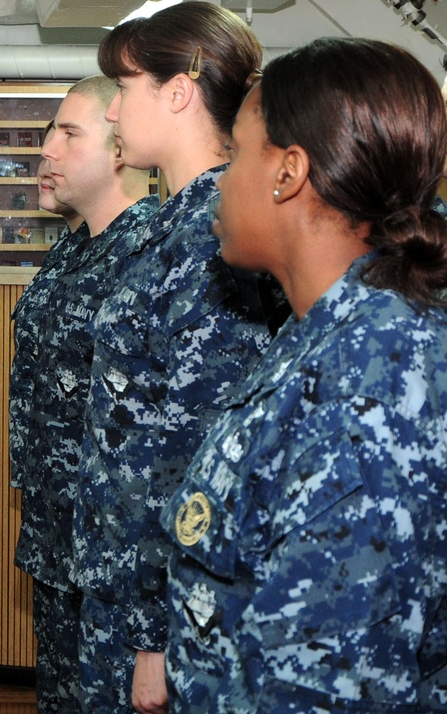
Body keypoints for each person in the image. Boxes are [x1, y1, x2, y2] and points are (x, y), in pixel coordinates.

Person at [163, 37, 447, 711]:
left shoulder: (371, 385)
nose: (219, 180)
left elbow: (326, 685)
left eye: (233, 154)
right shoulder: (327, 327)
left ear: (288, 172)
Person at [72, 4, 285, 712]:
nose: (111, 114)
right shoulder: (178, 220)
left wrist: (153, 638)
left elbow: (191, 459)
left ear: (177, 92)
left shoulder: (216, 236)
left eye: (125, 88)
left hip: (162, 612)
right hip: (123, 586)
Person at [10, 76, 157, 713]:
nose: (47, 149)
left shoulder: (149, 254)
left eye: (69, 133)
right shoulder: (71, 248)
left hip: (115, 550)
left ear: (120, 148)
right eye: (49, 132)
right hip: (57, 530)